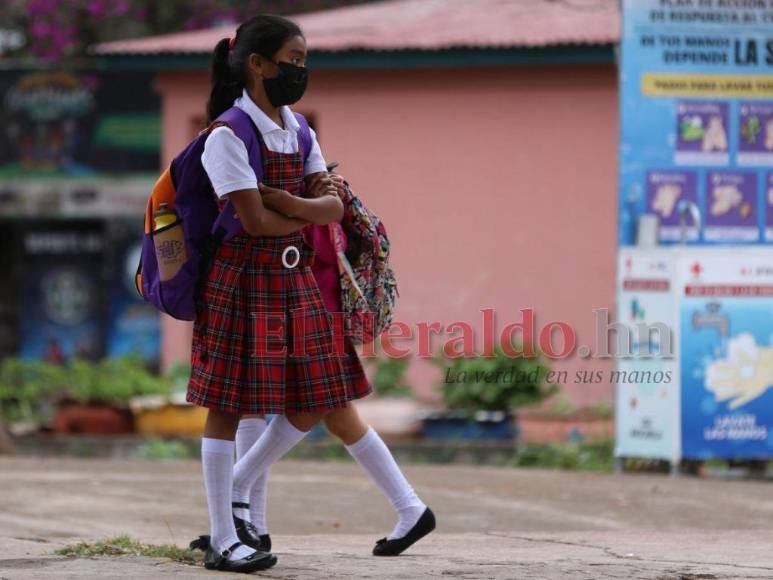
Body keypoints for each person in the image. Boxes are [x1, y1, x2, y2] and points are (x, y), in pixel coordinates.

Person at [187, 14, 367, 574]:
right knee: (228, 407)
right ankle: (225, 538)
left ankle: (236, 497)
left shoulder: (300, 130)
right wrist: (305, 208)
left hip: (292, 278)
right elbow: (253, 222)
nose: (300, 70)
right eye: (291, 59)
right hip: (240, 280)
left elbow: (332, 210)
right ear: (258, 65)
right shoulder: (225, 136)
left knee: (317, 393)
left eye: (304, 60)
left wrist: (288, 204)